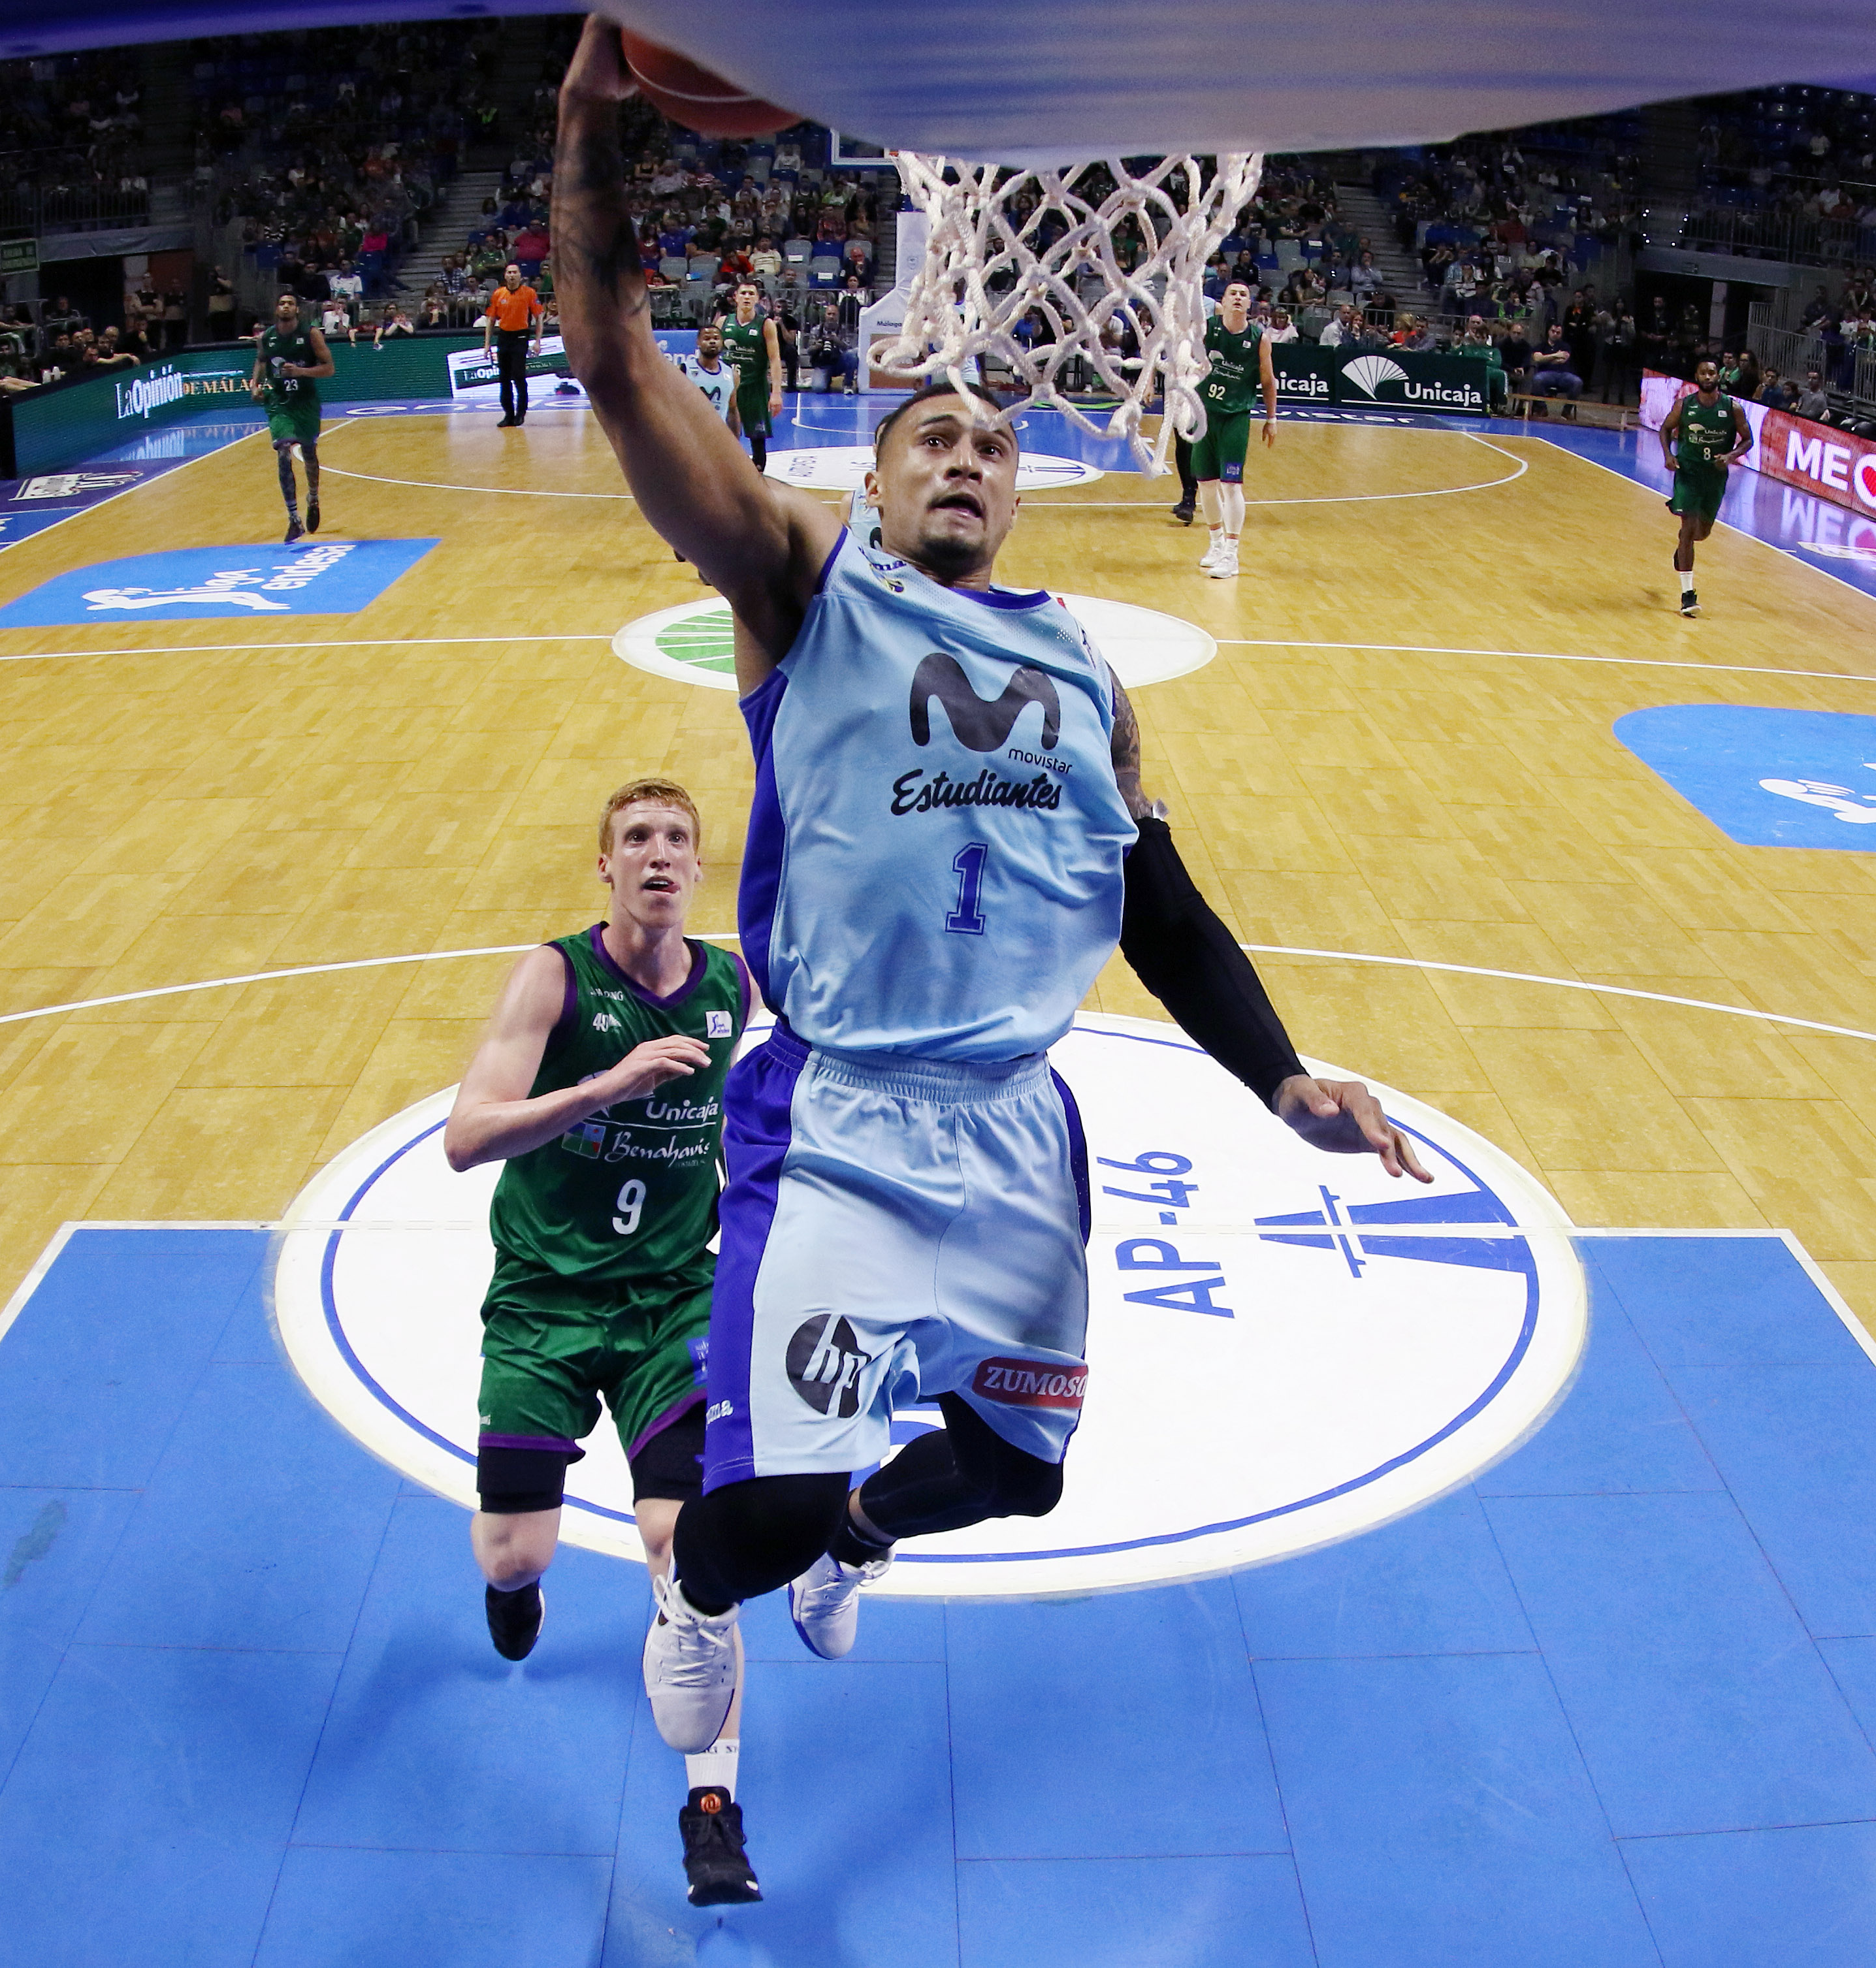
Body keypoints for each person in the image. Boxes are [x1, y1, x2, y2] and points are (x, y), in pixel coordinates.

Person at [550, 18, 1419, 1882]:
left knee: (1020, 1467)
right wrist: (588, 134)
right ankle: (703, 1597)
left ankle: (864, 1529)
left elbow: (1159, 905)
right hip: (841, 1110)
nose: (968, 452)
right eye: (932, 432)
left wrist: (1288, 1078)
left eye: (997, 440)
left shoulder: (1087, 676)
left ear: (1022, 491)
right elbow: (615, 364)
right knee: (744, 1501)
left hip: (1022, 1118)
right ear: (872, 481)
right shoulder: (802, 583)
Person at [442, 778, 761, 1907]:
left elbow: (759, 1109)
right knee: (511, 1555)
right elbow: (465, 1137)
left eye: (678, 838)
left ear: (696, 865)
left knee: (688, 1547)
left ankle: (712, 1810)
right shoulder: (555, 977)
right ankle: (514, 1587)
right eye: (637, 838)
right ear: (605, 867)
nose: (660, 854)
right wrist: (605, 1084)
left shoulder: (731, 985)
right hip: (541, 1301)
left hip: (673, 1305)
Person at [1189, 279, 1276, 580]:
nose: (1238, 298)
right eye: (1233, 294)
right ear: (1223, 302)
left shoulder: (1259, 338)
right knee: (1206, 484)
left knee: (1231, 485)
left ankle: (1231, 553)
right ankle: (1214, 544)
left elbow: (1268, 380)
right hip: (1204, 414)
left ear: (1250, 305)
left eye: (1244, 295)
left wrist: (1272, 419)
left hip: (1235, 416)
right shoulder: (1206, 328)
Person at [1658, 360, 1750, 617]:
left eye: (1712, 372)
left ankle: (1683, 549)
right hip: (1688, 473)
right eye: (1703, 372)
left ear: (1717, 376)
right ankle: (1688, 595)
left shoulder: (1732, 408)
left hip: (1715, 477)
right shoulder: (1685, 405)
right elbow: (1665, 429)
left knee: (1701, 534)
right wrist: (1668, 455)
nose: (1708, 376)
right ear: (1696, 376)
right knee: (1688, 529)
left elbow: (1748, 440)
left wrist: (1731, 456)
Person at [251, 292, 335, 544]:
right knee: (284, 450)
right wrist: (255, 384)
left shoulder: (311, 334)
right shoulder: (267, 337)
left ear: (297, 310)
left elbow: (329, 368)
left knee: (309, 453)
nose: (285, 307)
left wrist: (301, 371)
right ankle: (293, 518)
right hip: (280, 403)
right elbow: (261, 361)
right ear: (276, 309)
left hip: (305, 403)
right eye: (282, 303)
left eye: (290, 304)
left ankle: (313, 498)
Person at [720, 281, 782, 470]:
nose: (747, 297)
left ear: (757, 299)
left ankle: (758, 477)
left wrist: (777, 393)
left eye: (751, 294)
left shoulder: (766, 324)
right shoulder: (723, 322)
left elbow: (775, 359)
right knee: (725, 435)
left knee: (758, 439)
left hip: (755, 386)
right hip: (729, 387)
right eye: (743, 293)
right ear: (736, 298)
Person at [486, 263, 545, 427]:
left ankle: (521, 413)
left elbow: (539, 317)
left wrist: (537, 341)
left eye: (515, 272)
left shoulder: (529, 293)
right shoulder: (498, 294)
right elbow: (491, 320)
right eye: (509, 272)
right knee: (504, 378)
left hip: (520, 337)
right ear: (505, 276)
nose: (512, 275)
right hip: (504, 337)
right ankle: (508, 414)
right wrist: (487, 345)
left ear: (520, 275)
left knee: (519, 376)